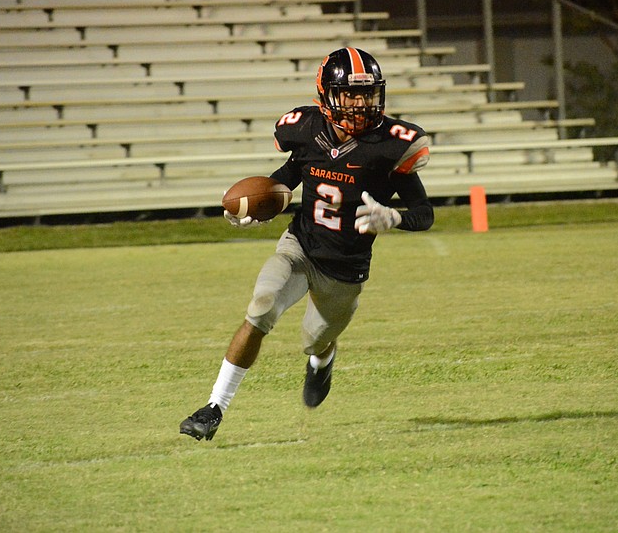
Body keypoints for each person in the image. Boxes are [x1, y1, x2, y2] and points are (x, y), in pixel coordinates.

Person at [180, 47, 434, 441]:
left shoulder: (389, 145)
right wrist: (255, 206)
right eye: (350, 94)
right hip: (300, 245)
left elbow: (424, 212)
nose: (360, 103)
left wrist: (395, 217)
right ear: (327, 95)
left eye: (367, 94)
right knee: (261, 306)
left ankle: (323, 358)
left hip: (346, 268)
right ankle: (214, 406)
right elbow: (287, 176)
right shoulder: (307, 130)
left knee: (315, 339)